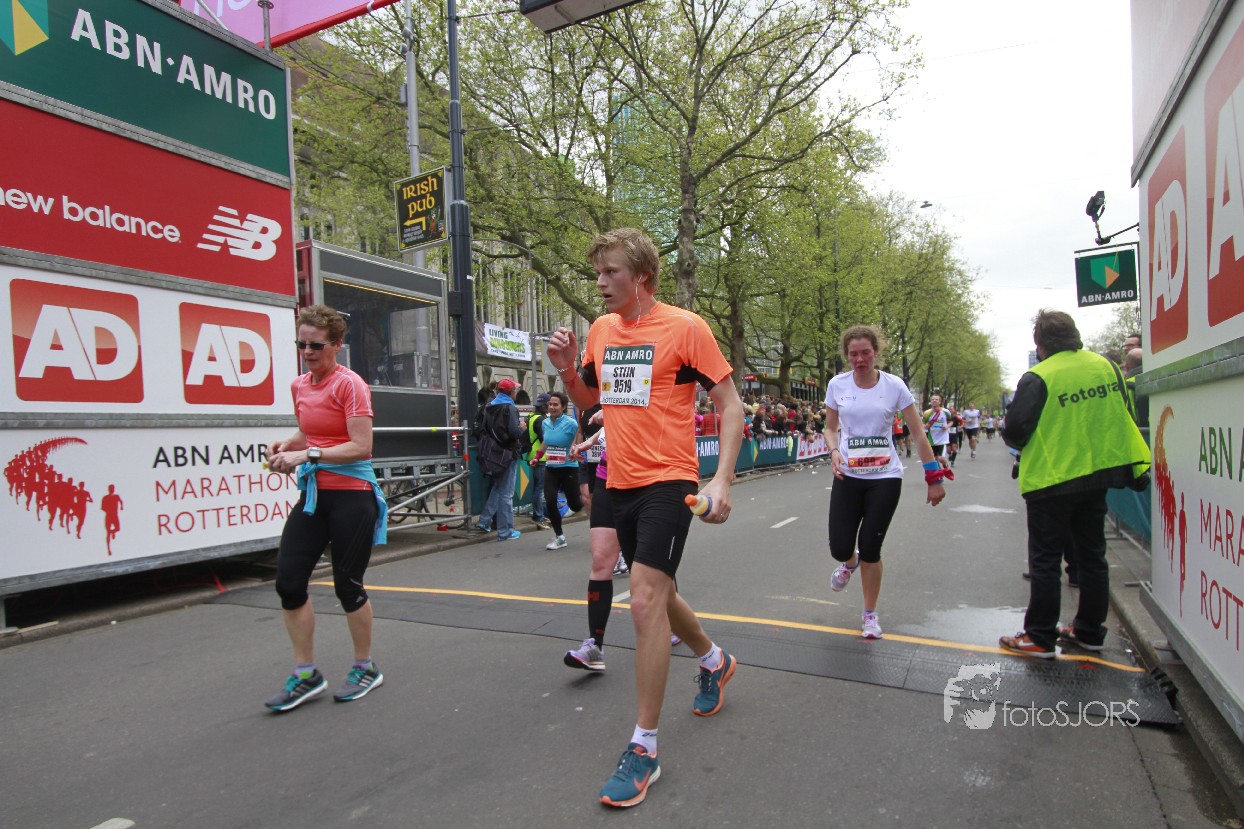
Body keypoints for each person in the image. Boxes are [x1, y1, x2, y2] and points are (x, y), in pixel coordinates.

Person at [546, 227, 745, 809]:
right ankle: (714, 660)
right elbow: (593, 405)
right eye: (598, 273)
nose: (600, 283)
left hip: (670, 481)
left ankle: (645, 747)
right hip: (618, 480)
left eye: (611, 272)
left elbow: (730, 405)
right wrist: (567, 370)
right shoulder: (601, 331)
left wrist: (722, 479)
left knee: (644, 600)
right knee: (661, 592)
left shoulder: (686, 328)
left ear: (643, 278)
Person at [999, 309, 1151, 658]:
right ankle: (1089, 631)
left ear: (1040, 345)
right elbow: (1121, 411)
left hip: (1051, 478)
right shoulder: (1105, 366)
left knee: (1046, 560)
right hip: (1098, 473)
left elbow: (1015, 430)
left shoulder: (1038, 376)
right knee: (1092, 556)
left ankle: (1039, 636)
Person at [264, 304, 389, 712]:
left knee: (347, 585)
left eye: (316, 345)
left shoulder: (350, 385)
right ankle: (306, 674)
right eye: (301, 344)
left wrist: (307, 455)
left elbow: (361, 446)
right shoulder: (299, 386)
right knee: (288, 582)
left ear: (336, 344)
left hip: (353, 495)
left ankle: (365, 667)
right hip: (315, 495)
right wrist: (287, 445)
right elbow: (309, 432)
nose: (307, 352)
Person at [825, 325, 948, 639]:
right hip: (848, 474)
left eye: (866, 352)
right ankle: (848, 563)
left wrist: (933, 477)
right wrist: (834, 450)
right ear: (846, 355)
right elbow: (829, 427)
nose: (860, 359)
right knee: (840, 546)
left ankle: (869, 614)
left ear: (876, 352)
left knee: (871, 546)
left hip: (885, 477)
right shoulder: (837, 385)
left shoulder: (894, 386)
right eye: (853, 354)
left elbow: (917, 433)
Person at [563, 413, 624, 671]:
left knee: (647, 567)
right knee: (600, 560)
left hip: (645, 477)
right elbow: (615, 417)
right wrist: (591, 441)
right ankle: (595, 646)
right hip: (607, 474)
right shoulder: (607, 392)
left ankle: (676, 623)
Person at [475, 377, 525, 541]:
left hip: (492, 453)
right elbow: (514, 432)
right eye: (515, 389)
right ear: (512, 392)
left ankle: (484, 521)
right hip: (507, 453)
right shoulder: (510, 408)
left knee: (497, 488)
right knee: (506, 494)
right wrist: (522, 428)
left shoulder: (489, 406)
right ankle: (505, 531)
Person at [535, 390, 583, 549]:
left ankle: (585, 501)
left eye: (555, 405)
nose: (552, 407)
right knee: (550, 501)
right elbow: (546, 441)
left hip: (569, 468)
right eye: (550, 404)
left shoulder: (571, 423)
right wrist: (537, 456)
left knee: (575, 505)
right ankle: (560, 537)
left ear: (563, 407)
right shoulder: (545, 423)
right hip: (551, 468)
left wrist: (576, 448)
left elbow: (579, 435)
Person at [525, 393, 551, 530]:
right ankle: (538, 516)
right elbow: (544, 439)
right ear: (545, 405)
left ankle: (539, 514)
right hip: (540, 457)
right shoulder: (540, 420)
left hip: (533, 455)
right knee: (540, 489)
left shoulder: (531, 417)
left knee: (538, 487)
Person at [922, 394, 951, 461]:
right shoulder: (927, 413)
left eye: (936, 399)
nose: (934, 400)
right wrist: (925, 426)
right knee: (934, 458)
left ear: (940, 402)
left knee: (940, 458)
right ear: (930, 402)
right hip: (932, 439)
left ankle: (945, 464)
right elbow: (922, 424)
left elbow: (951, 421)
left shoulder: (945, 412)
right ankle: (939, 468)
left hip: (942, 439)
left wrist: (946, 426)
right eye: (932, 399)